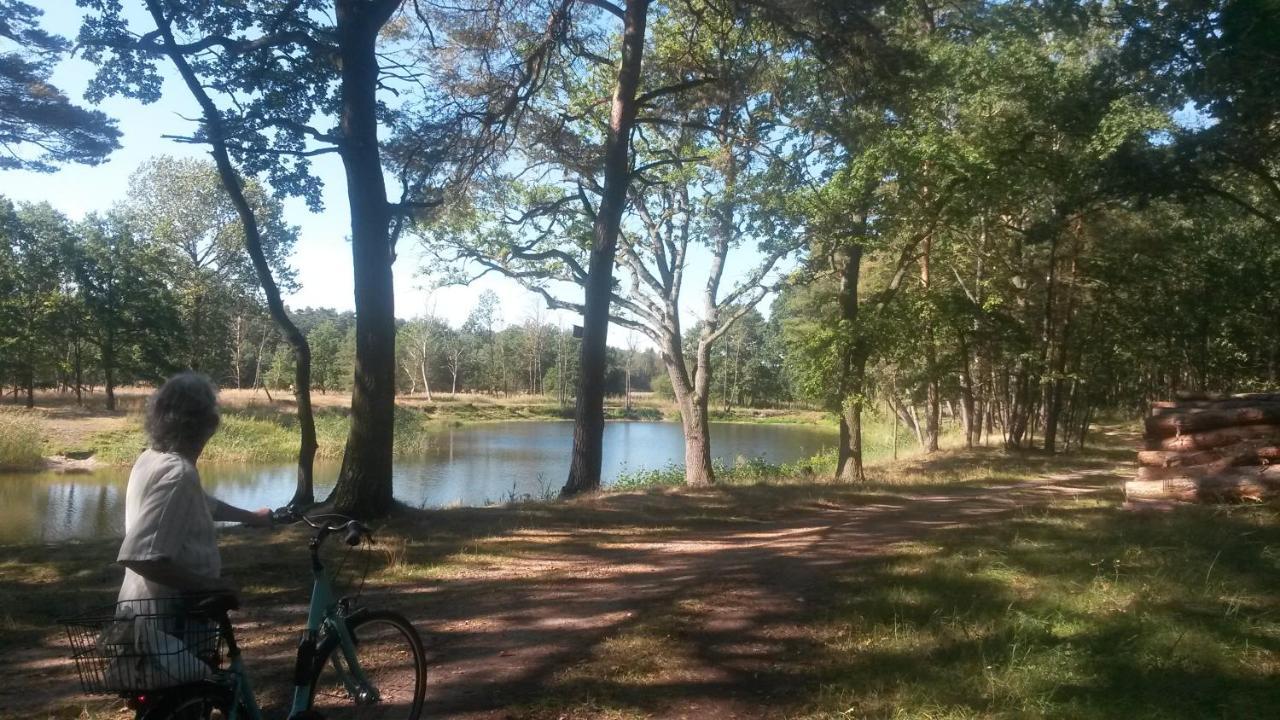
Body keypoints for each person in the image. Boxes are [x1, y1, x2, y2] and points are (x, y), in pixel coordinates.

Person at [116, 373, 272, 612]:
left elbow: (199, 504)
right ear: (209, 423)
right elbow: (140, 556)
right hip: (165, 627)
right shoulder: (178, 473)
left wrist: (251, 517)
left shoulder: (151, 458)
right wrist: (210, 586)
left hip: (154, 616)